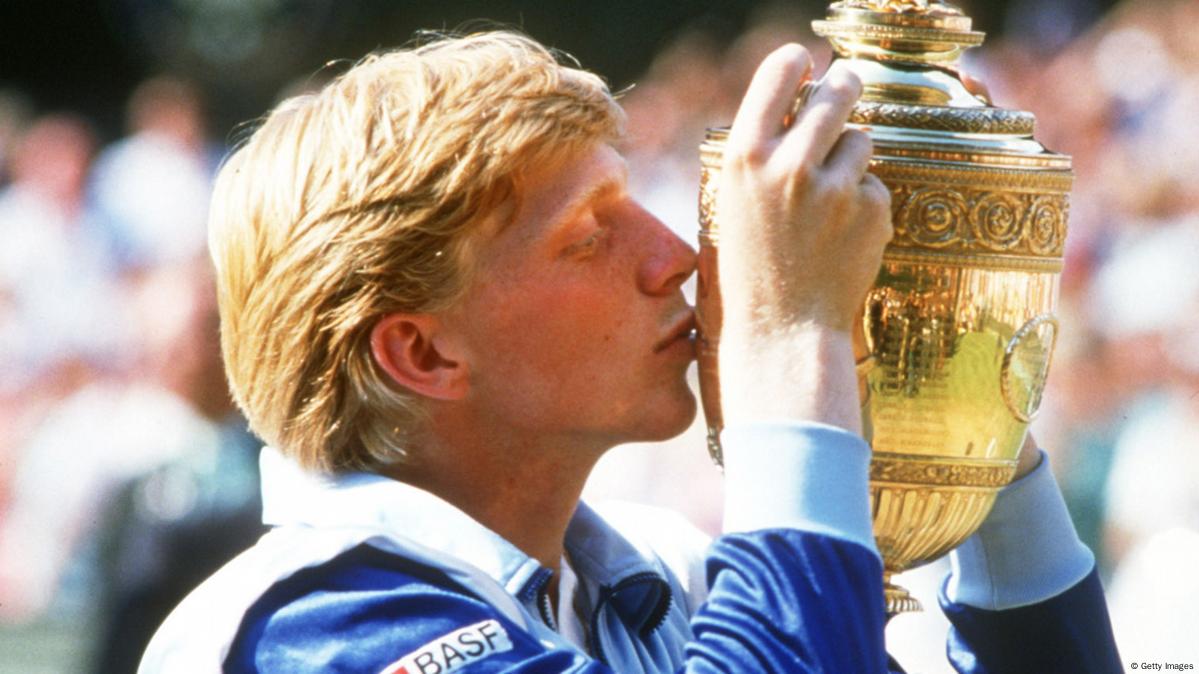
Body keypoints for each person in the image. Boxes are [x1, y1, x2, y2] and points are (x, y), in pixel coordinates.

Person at [140, 32, 1121, 673]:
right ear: (421, 352)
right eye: (587, 234)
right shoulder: (315, 629)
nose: (676, 255)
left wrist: (962, 422)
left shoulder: (659, 577)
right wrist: (789, 343)